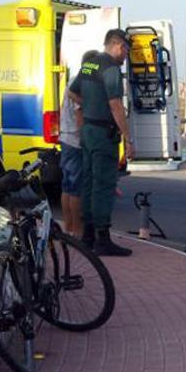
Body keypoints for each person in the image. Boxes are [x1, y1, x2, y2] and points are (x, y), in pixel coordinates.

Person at [67, 29, 133, 256]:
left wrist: (91, 106)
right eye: (125, 49)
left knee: (88, 182)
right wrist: (127, 137)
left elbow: (72, 93)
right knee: (104, 185)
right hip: (104, 135)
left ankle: (87, 237)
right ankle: (103, 240)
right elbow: (115, 106)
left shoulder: (89, 65)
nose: (126, 55)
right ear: (116, 45)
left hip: (88, 132)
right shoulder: (111, 68)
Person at [59, 50, 97, 238]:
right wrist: (86, 140)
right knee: (75, 188)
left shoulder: (71, 80)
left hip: (65, 138)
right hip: (75, 140)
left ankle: (67, 227)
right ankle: (77, 230)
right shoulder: (81, 83)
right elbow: (80, 115)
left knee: (66, 187)